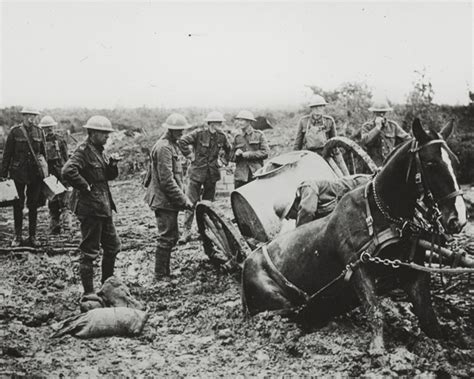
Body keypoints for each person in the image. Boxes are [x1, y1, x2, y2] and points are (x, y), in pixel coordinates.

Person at [62, 116, 121, 301]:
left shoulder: (99, 150)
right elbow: (67, 171)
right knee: (90, 251)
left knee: (113, 246)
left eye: (107, 134)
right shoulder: (83, 151)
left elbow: (107, 177)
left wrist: (112, 165)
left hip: (103, 206)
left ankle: (106, 285)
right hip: (90, 208)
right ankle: (88, 292)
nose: (107, 137)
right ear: (93, 133)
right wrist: (85, 186)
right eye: (103, 134)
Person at [144, 113, 194, 280]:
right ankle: (160, 274)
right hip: (163, 200)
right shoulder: (164, 148)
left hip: (166, 199)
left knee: (171, 236)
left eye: (182, 130)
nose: (181, 133)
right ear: (170, 130)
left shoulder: (170, 145)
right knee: (166, 237)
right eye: (178, 131)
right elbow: (167, 180)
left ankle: (164, 272)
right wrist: (183, 200)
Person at [177, 111, 231, 244]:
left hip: (211, 175)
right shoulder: (198, 134)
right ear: (211, 123)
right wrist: (190, 156)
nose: (220, 125)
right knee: (190, 203)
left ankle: (204, 230)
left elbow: (229, 149)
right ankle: (186, 231)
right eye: (217, 122)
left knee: (207, 204)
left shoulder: (222, 137)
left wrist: (224, 161)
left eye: (220, 122)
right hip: (196, 174)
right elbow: (182, 141)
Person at [1, 107, 46, 247]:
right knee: (18, 205)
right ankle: (18, 236)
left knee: (33, 205)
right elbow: (7, 154)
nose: (31, 118)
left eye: (34, 115)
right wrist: (3, 174)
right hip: (18, 174)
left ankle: (32, 236)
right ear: (24, 116)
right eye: (28, 115)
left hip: (35, 175)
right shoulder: (15, 132)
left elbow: (43, 155)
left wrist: (46, 173)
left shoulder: (40, 132)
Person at [274, 174, 371, 227]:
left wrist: (297, 235)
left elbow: (307, 211)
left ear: (293, 206)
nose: (291, 219)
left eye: (288, 216)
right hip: (354, 203)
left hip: (360, 186)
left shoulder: (307, 187)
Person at [38, 115, 70, 234]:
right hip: (49, 175)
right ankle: (54, 227)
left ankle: (67, 227)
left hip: (61, 173)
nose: (49, 129)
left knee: (65, 201)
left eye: (50, 127)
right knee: (53, 201)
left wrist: (67, 173)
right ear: (43, 129)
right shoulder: (40, 142)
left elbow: (66, 158)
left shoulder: (60, 139)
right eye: (46, 128)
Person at [360, 102, 411, 166]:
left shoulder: (393, 126)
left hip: (390, 164)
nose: (381, 115)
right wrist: (377, 128)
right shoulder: (367, 126)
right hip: (373, 165)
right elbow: (364, 142)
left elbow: (408, 140)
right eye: (379, 113)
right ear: (374, 113)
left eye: (384, 112)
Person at [230, 110, 269, 189]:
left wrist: (248, 154)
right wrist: (236, 155)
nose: (240, 123)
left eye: (242, 120)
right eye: (239, 120)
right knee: (239, 199)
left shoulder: (259, 135)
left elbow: (265, 152)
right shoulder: (237, 137)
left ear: (249, 121)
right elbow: (230, 157)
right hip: (241, 175)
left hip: (255, 173)